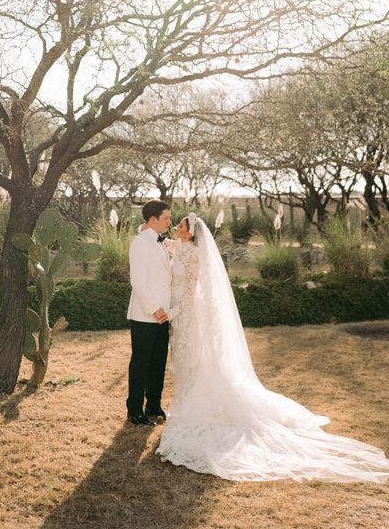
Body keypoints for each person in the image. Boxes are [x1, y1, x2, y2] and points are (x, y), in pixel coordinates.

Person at [155, 213, 389, 482]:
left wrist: (172, 313)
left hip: (187, 316)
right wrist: (152, 235)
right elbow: (172, 247)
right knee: (185, 362)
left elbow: (189, 292)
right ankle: (183, 401)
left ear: (192, 233)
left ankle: (193, 406)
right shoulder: (181, 247)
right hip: (181, 321)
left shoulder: (194, 255)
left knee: (196, 362)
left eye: (182, 224)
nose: (177, 226)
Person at [126, 199, 172, 426]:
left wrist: (164, 311)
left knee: (158, 362)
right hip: (146, 315)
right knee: (141, 363)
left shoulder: (160, 241)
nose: (169, 222)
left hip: (163, 316)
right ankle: (135, 410)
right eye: (166, 218)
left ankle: (153, 404)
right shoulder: (140, 242)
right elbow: (138, 281)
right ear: (153, 220)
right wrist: (154, 308)